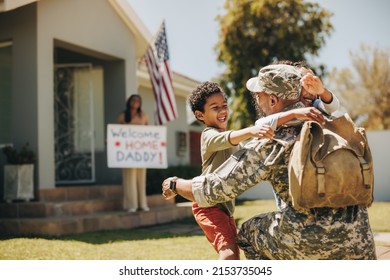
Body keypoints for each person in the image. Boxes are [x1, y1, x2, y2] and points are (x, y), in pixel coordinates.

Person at [162, 64, 377, 260]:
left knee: (247, 234)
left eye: (259, 96)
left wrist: (174, 183)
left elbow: (214, 190)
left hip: (311, 241)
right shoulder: (328, 123)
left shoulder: (273, 140)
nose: (256, 100)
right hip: (361, 239)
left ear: (273, 100)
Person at [188, 81, 275, 260]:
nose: (222, 110)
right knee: (229, 254)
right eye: (215, 107)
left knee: (233, 253)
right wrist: (253, 130)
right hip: (208, 205)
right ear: (200, 115)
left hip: (225, 208)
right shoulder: (208, 135)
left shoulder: (232, 141)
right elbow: (227, 138)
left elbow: (247, 151)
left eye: (224, 105)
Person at [116, 94, 150, 212]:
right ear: (129, 102)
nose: (135, 102)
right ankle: (131, 205)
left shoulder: (143, 116)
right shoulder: (122, 116)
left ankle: (142, 204)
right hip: (127, 153)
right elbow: (116, 132)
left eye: (138, 100)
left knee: (141, 178)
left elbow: (149, 133)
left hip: (141, 153)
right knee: (129, 178)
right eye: (133, 100)